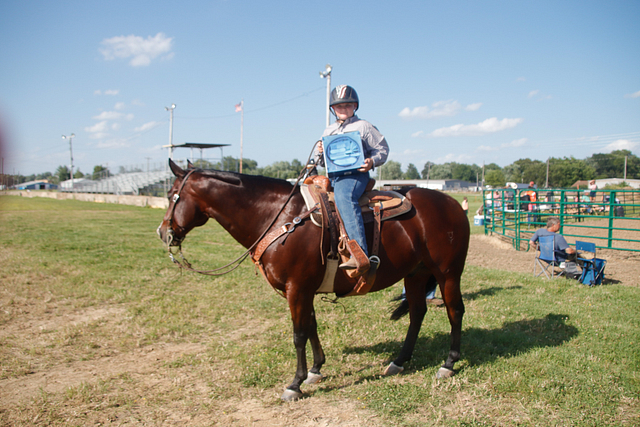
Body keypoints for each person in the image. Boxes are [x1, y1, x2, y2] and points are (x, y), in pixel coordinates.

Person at [313, 85, 389, 272]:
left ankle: (359, 254)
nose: (343, 109)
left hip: (355, 176)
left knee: (344, 197)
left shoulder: (364, 126)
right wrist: (320, 151)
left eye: (347, 105)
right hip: (334, 176)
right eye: (339, 106)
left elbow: (382, 150)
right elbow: (321, 161)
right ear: (333, 109)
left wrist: (372, 161)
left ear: (355, 106)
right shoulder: (328, 130)